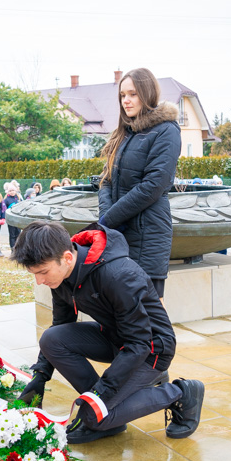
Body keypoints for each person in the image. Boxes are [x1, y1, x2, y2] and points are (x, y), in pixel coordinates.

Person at [11, 221, 205, 444]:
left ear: (66, 257)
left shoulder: (117, 274)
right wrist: (41, 376)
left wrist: (102, 392)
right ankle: (108, 411)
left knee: (94, 417)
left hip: (151, 349)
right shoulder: (62, 277)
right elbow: (61, 324)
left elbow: (140, 344)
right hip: (117, 339)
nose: (40, 281)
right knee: (52, 339)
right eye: (34, 274)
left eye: (43, 272)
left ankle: (181, 392)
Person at [97, 68, 181, 299]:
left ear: (147, 93)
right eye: (123, 95)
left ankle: (161, 339)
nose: (126, 100)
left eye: (133, 94)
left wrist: (110, 219)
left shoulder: (167, 130)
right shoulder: (124, 131)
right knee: (122, 307)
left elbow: (153, 185)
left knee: (150, 310)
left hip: (148, 234)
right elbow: (106, 180)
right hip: (118, 232)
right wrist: (107, 216)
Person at [3, 184, 22, 250]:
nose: (12, 192)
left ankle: (18, 248)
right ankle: (12, 248)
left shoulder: (19, 198)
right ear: (8, 192)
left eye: (13, 190)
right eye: (10, 191)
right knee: (12, 235)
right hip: (11, 220)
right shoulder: (6, 200)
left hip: (18, 220)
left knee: (18, 234)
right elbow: (4, 210)